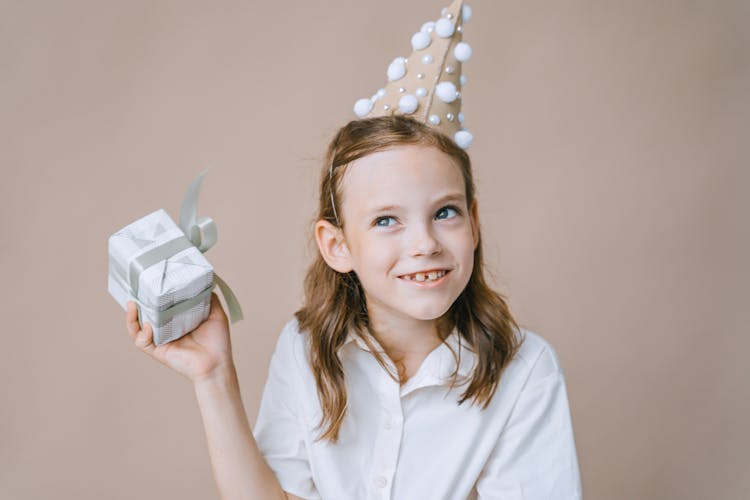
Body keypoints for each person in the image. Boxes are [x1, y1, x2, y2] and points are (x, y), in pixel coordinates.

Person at [125, 2, 581, 498]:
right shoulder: (305, 348)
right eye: (387, 220)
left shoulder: (525, 370)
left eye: (445, 212)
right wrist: (214, 376)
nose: (425, 244)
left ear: (473, 224)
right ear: (337, 246)